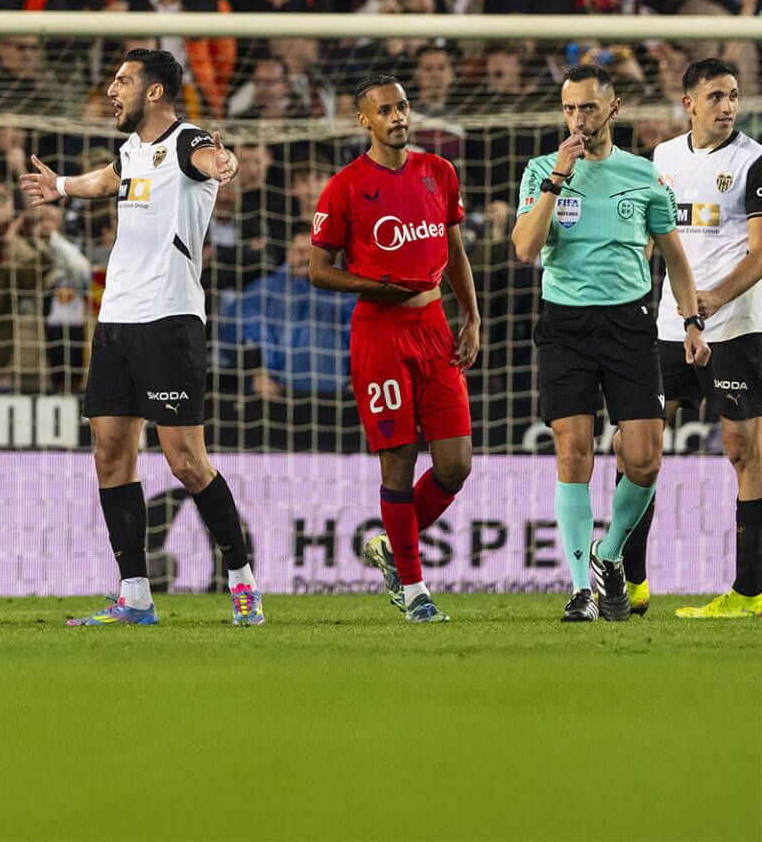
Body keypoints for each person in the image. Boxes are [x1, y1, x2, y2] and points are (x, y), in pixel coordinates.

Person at [20, 49, 262, 628]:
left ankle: (243, 582)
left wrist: (222, 164)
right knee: (109, 454)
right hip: (116, 321)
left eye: (124, 81)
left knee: (186, 462)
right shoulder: (132, 150)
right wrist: (64, 187)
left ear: (155, 92)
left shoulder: (187, 141)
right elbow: (114, 178)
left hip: (170, 320)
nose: (112, 89)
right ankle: (134, 596)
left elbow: (212, 162)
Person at [511, 64, 706, 623]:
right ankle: (579, 589)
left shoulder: (644, 176)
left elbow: (675, 259)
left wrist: (691, 322)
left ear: (613, 109)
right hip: (565, 325)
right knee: (573, 452)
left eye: (589, 108)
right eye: (570, 109)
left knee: (644, 459)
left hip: (629, 325)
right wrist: (556, 180)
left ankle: (609, 552)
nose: (578, 119)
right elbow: (525, 248)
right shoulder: (540, 171)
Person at [308, 75, 479, 623]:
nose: (398, 116)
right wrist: (375, 286)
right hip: (379, 335)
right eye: (385, 110)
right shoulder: (345, 187)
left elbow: (453, 248)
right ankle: (414, 590)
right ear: (365, 121)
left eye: (403, 107)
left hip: (433, 325)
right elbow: (318, 271)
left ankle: (389, 545)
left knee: (455, 465)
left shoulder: (438, 172)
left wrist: (471, 314)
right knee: (398, 462)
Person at [648, 60, 762, 619]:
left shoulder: (754, 161)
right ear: (688, 100)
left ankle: (748, 592)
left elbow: (761, 255)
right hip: (670, 327)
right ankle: (631, 584)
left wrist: (711, 301)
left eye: (734, 96)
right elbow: (653, 240)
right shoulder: (663, 158)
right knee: (639, 448)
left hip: (735, 326)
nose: (728, 106)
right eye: (716, 95)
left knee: (743, 451)